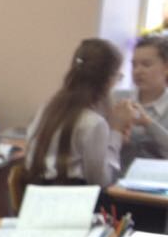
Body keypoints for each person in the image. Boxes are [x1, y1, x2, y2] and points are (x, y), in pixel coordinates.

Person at [25, 38, 132, 187]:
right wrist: (116, 134)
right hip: (73, 196)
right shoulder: (93, 123)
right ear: (108, 80)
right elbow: (101, 181)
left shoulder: (47, 108)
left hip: (36, 191)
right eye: (118, 77)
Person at [119, 34, 168, 169]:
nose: (137, 71)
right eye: (134, 65)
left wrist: (148, 123)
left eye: (146, 64)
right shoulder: (118, 99)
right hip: (118, 178)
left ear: (166, 67)